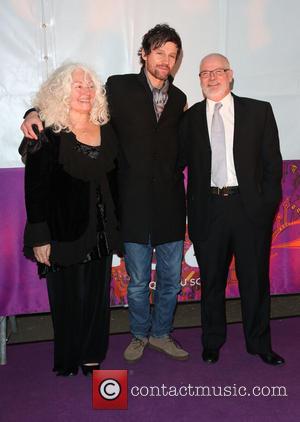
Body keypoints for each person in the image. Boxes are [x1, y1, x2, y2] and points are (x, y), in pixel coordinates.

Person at [20, 24, 189, 363]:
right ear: (144, 53)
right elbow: (74, 102)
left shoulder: (181, 99)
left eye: (172, 56)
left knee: (170, 280)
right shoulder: (117, 86)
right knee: (139, 282)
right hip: (132, 206)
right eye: (159, 53)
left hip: (170, 204)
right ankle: (140, 335)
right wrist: (33, 112)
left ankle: (161, 334)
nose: (165, 61)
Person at [180, 53, 285, 366]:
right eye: (204, 73)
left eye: (218, 71)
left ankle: (259, 343)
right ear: (199, 80)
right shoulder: (190, 118)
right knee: (211, 281)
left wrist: (265, 207)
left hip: (249, 210)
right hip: (208, 210)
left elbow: (272, 165)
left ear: (230, 75)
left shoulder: (259, 111)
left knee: (255, 280)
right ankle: (212, 341)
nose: (212, 78)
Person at [21, 63, 121, 376]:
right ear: (62, 91)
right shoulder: (47, 132)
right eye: (77, 85)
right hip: (61, 231)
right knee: (65, 298)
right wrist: (39, 236)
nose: (85, 92)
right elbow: (34, 188)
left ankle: (92, 354)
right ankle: (67, 357)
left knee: (96, 298)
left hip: (103, 231)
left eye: (90, 86)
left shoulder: (108, 128)